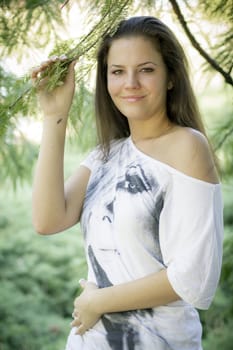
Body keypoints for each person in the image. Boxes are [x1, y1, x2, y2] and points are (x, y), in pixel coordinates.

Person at [32, 16, 224, 350]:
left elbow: (192, 278)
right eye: (117, 71)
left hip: (158, 341)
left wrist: (97, 302)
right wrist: (54, 117)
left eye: (146, 69)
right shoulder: (106, 156)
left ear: (170, 77)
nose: (130, 83)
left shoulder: (187, 147)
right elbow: (47, 220)